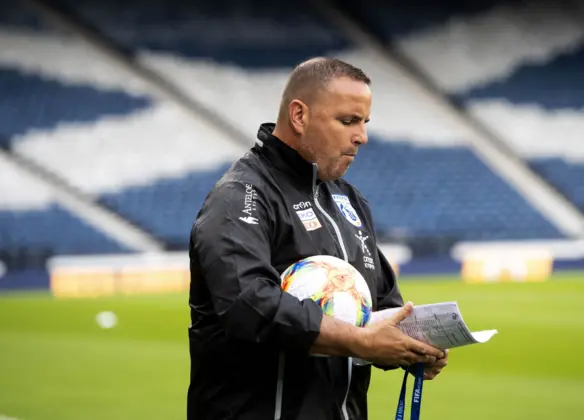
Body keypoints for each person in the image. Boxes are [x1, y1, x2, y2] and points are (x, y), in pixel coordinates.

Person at [187, 57, 448, 420]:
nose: (362, 136)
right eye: (348, 121)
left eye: (364, 122)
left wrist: (413, 345)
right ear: (299, 116)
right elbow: (248, 304)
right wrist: (362, 342)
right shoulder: (241, 195)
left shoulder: (350, 201)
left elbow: (383, 304)